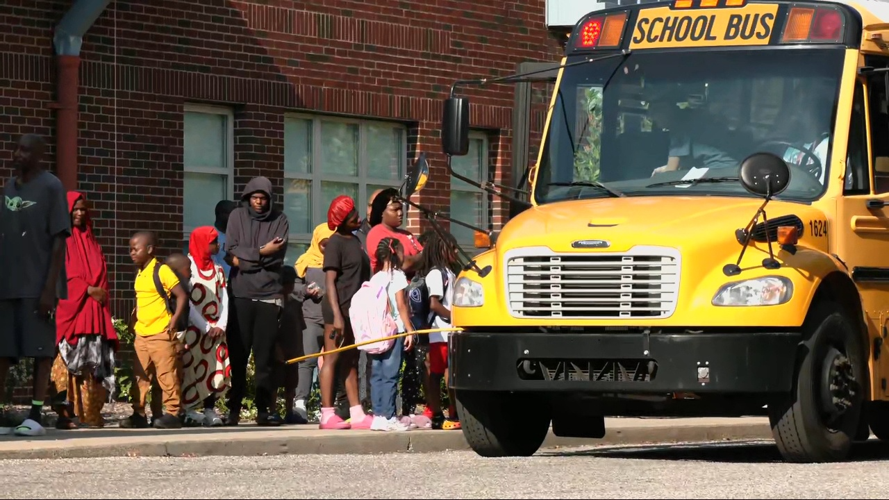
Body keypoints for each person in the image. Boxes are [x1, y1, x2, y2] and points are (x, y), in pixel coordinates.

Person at [0, 134, 69, 436]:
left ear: (39, 155)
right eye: (17, 149)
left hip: (37, 285)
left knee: (40, 352)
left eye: (26, 150)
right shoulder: (8, 188)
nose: (18, 154)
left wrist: (49, 289)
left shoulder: (51, 187)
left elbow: (59, 241)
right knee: (3, 351)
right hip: (7, 285)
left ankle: (36, 415)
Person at [51, 192, 119, 430]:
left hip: (93, 314)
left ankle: (90, 415)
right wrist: (87, 288)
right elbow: (61, 275)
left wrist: (97, 294)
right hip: (73, 312)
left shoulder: (92, 242)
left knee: (93, 365)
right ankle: (65, 415)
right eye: (75, 209)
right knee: (66, 365)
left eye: (83, 209)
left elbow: (102, 276)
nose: (79, 213)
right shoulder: (62, 240)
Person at [224, 177, 289, 426]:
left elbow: (277, 258)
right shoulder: (237, 217)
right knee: (238, 356)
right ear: (248, 198)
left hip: (268, 296)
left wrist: (245, 259)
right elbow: (231, 250)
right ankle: (233, 411)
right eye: (254, 198)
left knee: (264, 359)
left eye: (263, 198)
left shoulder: (280, 219)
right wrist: (261, 252)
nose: (259, 202)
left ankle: (263, 411)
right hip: (240, 295)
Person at [122, 231, 188, 429]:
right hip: (142, 333)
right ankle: (139, 413)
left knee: (167, 375)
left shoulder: (162, 270)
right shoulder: (140, 272)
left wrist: (174, 320)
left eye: (136, 249)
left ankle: (173, 413)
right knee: (141, 376)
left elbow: (181, 296)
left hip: (161, 332)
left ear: (149, 249)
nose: (132, 253)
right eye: (130, 249)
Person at [319, 195, 373, 430]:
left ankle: (356, 411)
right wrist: (338, 315)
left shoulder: (355, 239)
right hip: (337, 310)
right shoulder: (335, 243)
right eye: (351, 215)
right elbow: (330, 282)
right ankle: (327, 413)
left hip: (355, 311)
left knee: (351, 360)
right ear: (341, 220)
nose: (357, 217)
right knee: (332, 358)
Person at [179, 226, 231, 427]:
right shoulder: (189, 267)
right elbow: (188, 302)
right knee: (191, 368)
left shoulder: (217, 268)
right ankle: (189, 410)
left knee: (214, 368)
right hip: (196, 330)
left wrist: (221, 324)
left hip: (216, 331)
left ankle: (209, 408)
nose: (218, 245)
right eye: (214, 242)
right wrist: (205, 327)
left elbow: (224, 297)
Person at [369, 238, 415, 432]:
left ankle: (378, 415)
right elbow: (401, 304)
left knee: (377, 374)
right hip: (394, 330)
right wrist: (410, 329)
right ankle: (389, 416)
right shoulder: (397, 276)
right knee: (391, 374)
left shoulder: (376, 277)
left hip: (376, 332)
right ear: (396, 251)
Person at [417, 231, 460, 430]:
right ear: (442, 250)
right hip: (439, 332)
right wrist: (453, 316)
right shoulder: (436, 274)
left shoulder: (450, 272)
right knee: (437, 373)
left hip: (450, 332)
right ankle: (436, 413)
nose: (457, 251)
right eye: (452, 247)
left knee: (451, 373)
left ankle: (454, 411)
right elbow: (434, 304)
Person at [292, 222, 333, 423]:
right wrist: (306, 291)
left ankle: (328, 406)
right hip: (311, 317)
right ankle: (300, 403)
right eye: (324, 245)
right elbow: (293, 287)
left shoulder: (338, 261)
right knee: (307, 361)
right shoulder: (305, 261)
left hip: (334, 319)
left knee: (334, 362)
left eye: (330, 244)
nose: (327, 248)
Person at [365, 188, 423, 273]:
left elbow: (429, 258)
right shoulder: (376, 233)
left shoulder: (407, 234)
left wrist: (419, 258)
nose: (400, 213)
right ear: (381, 212)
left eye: (400, 209)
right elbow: (402, 264)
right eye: (395, 210)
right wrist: (422, 256)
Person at [276, 266, 306, 424]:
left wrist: (300, 351)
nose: (290, 286)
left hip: (293, 349)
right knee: (275, 382)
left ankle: (289, 411)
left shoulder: (295, 303)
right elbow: (272, 329)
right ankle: (272, 410)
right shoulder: (276, 304)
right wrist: (276, 349)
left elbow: (299, 327)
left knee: (291, 384)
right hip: (278, 351)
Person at [214, 200, 238, 279]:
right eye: (231, 214)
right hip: (218, 283)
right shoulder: (211, 236)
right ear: (221, 214)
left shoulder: (239, 236)